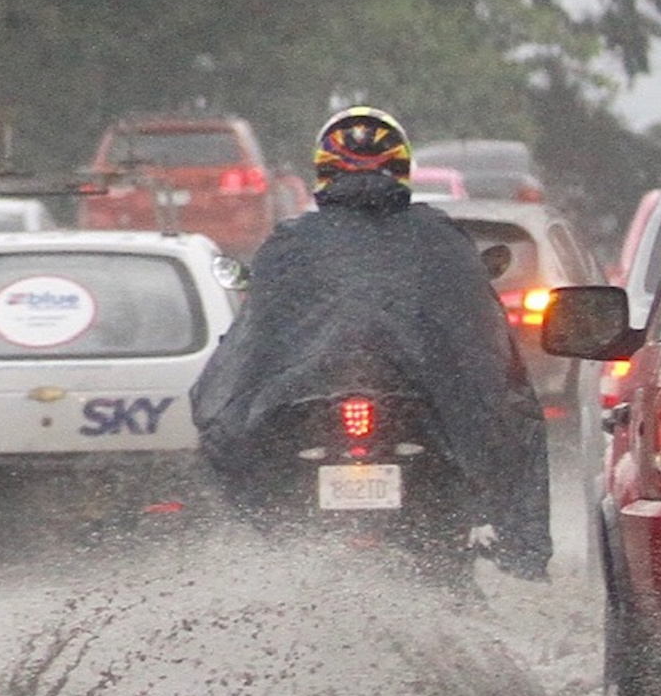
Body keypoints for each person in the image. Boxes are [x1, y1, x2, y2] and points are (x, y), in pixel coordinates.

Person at [189, 106, 552, 580]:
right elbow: (482, 344)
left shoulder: (291, 242)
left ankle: (261, 536)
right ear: (402, 170)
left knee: (227, 422)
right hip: (416, 405)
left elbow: (252, 345)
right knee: (518, 416)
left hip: (310, 405)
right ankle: (521, 548)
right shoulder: (439, 237)